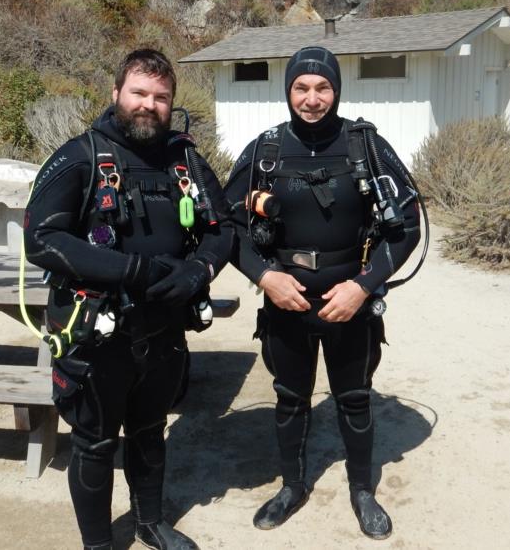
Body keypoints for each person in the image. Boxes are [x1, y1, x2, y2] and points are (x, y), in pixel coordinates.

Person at [24, 49, 232, 550]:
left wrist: (197, 270)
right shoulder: (81, 155)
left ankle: (149, 522)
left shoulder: (184, 159)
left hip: (164, 329)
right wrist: (130, 270)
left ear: (172, 104)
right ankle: (98, 544)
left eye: (161, 97)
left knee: (150, 431)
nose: (149, 105)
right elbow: (42, 240)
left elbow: (223, 228)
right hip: (97, 333)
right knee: (94, 444)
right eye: (139, 93)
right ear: (116, 93)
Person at [223, 46, 422, 539]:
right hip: (285, 298)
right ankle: (292, 486)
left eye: (323, 87)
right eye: (301, 88)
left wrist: (363, 286)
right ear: (288, 91)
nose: (312, 99)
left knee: (354, 398)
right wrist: (265, 277)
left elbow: (409, 225)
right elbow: (226, 225)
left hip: (348, 300)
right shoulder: (265, 150)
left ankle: (362, 491)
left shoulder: (365, 146)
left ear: (337, 90)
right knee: (290, 399)